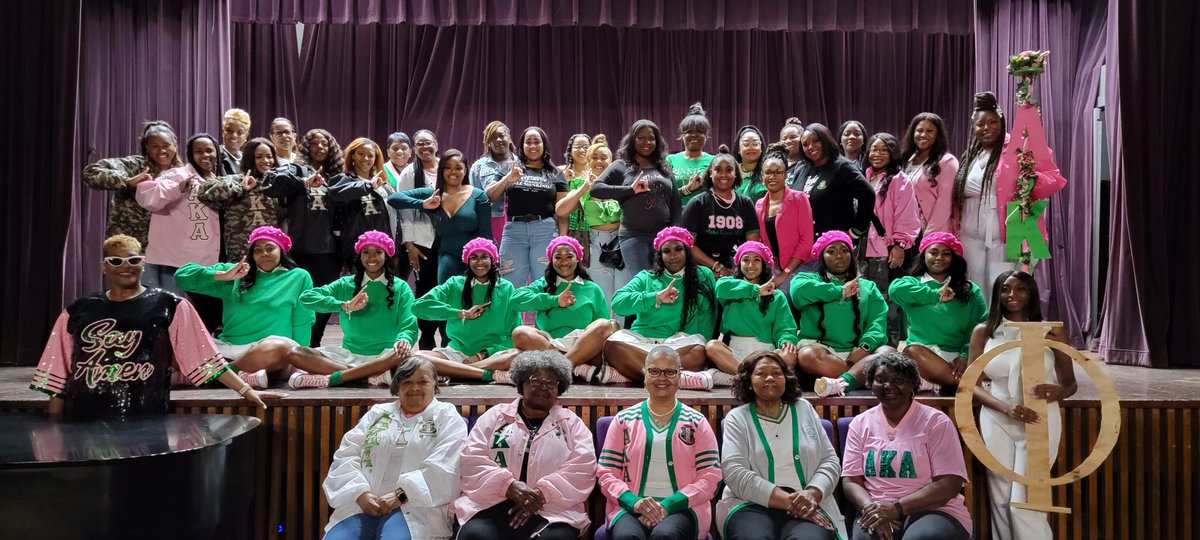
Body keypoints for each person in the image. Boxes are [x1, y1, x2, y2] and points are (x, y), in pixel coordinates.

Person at [30, 235, 277, 420]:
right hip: (82, 417)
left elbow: (205, 358)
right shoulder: (77, 310)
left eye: (133, 260)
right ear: (104, 266)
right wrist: (55, 426)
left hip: (145, 416)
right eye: (116, 260)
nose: (125, 266)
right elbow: (58, 374)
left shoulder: (170, 304)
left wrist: (246, 392)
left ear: (143, 264)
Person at [968, 271, 1077, 540]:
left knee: (1026, 499)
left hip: (1039, 418)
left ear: (1031, 294)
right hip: (997, 416)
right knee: (1001, 494)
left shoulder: (1052, 330)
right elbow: (970, 385)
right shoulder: (984, 332)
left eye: (1020, 289)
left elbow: (1070, 383)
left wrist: (1057, 391)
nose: (1012, 295)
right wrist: (1006, 408)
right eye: (1005, 289)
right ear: (997, 294)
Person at [454, 351, 596, 540]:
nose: (543, 387)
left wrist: (541, 494)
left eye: (551, 382)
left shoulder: (571, 424)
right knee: (475, 535)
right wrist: (509, 486)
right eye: (535, 380)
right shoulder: (496, 416)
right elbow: (472, 458)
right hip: (491, 501)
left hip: (552, 508)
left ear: (559, 389)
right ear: (522, 382)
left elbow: (583, 468)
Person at [322, 356, 467, 540]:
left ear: (435, 386)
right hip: (362, 504)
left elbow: (446, 467)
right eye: (407, 381)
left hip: (416, 508)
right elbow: (347, 455)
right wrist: (360, 493)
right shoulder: (377, 413)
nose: (415, 388)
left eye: (423, 381)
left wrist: (401, 495)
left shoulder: (446, 416)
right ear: (397, 387)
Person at [175, 226, 330, 388]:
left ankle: (216, 376)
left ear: (282, 251)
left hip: (269, 352)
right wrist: (222, 275)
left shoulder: (298, 276)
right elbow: (182, 277)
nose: (264, 253)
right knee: (177, 342)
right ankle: (242, 375)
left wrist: (299, 362)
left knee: (279, 347)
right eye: (258, 250)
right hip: (229, 350)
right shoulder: (236, 273)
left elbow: (302, 320)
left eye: (270, 248)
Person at [841, 353, 972, 540]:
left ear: (912, 385)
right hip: (878, 508)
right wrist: (873, 509)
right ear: (871, 384)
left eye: (898, 380)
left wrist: (896, 509)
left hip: (934, 509)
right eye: (880, 379)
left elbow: (949, 484)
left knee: (921, 537)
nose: (888, 385)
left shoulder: (936, 422)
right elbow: (851, 480)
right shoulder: (860, 424)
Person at [717, 351, 846, 540]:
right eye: (761, 373)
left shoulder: (804, 409)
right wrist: (790, 503)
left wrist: (813, 493)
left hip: (808, 502)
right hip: (749, 505)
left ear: (786, 379)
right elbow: (734, 472)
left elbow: (830, 461)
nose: (770, 378)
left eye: (777, 373)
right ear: (749, 381)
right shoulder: (737, 418)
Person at [597, 346, 722, 540]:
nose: (661, 377)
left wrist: (668, 505)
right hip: (629, 506)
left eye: (670, 371)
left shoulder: (697, 422)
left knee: (666, 535)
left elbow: (711, 477)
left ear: (679, 376)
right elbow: (606, 474)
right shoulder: (623, 420)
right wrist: (635, 503)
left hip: (683, 507)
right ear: (644, 375)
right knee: (626, 537)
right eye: (654, 371)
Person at [290, 231, 419, 389]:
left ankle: (345, 376)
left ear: (387, 256)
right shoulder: (345, 284)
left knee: (403, 355)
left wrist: (404, 339)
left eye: (378, 252)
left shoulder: (401, 287)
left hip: (385, 356)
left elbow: (409, 322)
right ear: (360, 255)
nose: (372, 257)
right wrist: (343, 305)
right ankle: (366, 376)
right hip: (349, 356)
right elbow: (306, 298)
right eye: (366, 252)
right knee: (295, 353)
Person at [605, 227, 717, 388]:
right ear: (660, 255)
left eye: (678, 249)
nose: (673, 255)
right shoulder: (646, 277)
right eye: (667, 251)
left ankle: (632, 374)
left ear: (687, 251)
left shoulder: (703, 275)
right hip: (642, 342)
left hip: (680, 344)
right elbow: (618, 303)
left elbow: (708, 317)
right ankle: (678, 378)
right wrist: (655, 297)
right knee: (612, 346)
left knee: (699, 352)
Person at [790, 231, 892, 396]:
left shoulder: (868, 287)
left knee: (888, 353)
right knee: (808, 355)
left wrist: (865, 347)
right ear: (822, 256)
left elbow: (877, 323)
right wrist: (839, 292)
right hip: (821, 350)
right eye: (831, 251)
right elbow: (797, 293)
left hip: (859, 352)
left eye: (845, 251)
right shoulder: (806, 279)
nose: (839, 255)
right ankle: (855, 377)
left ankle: (840, 383)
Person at [510, 236, 621, 383]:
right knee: (520, 333)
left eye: (569, 256)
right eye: (558, 257)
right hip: (550, 345)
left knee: (604, 325)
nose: (564, 262)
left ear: (578, 258)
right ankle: (572, 367)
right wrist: (554, 300)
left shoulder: (592, 288)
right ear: (551, 260)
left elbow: (602, 330)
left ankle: (557, 370)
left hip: (583, 347)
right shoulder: (543, 284)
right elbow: (515, 301)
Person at [260, 142, 339, 348]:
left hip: (331, 250)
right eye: (315, 143)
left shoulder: (336, 176)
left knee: (325, 299)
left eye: (325, 143)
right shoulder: (295, 170)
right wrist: (303, 182)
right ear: (305, 147)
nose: (320, 147)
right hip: (302, 248)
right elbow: (271, 185)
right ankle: (296, 346)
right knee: (300, 300)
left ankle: (314, 345)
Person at [136, 133, 236, 292]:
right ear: (190, 153)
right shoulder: (177, 174)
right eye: (199, 151)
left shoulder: (217, 180)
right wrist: (177, 189)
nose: (205, 155)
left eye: (209, 150)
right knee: (176, 310)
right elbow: (147, 198)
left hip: (205, 264)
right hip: (175, 263)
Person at [889, 232, 987, 394]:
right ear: (923, 256)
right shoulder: (912, 283)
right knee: (911, 351)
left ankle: (955, 383)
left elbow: (979, 325)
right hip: (923, 357)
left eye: (946, 253)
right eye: (933, 252)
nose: (939, 257)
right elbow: (895, 291)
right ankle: (970, 387)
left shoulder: (970, 289)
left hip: (958, 360)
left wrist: (964, 355)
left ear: (953, 258)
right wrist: (934, 295)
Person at [410, 238, 518, 383]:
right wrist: (460, 313)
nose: (479, 262)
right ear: (467, 261)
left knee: (515, 355)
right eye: (474, 257)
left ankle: (457, 371)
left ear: (493, 260)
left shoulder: (506, 288)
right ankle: (488, 375)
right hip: (457, 352)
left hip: (491, 356)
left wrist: (482, 354)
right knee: (419, 357)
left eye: (485, 257)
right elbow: (418, 307)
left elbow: (515, 335)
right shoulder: (455, 284)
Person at [389, 149, 493, 284]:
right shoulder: (433, 195)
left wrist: (486, 261)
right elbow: (393, 199)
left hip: (475, 260)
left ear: (465, 170)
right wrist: (423, 204)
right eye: (447, 167)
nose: (453, 172)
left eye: (458, 168)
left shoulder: (478, 196)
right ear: (441, 170)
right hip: (447, 258)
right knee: (446, 298)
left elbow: (486, 234)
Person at [590, 119, 680, 275]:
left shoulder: (664, 167)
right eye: (641, 138)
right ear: (632, 140)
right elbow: (596, 189)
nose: (647, 142)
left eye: (651, 138)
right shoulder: (621, 165)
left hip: (663, 238)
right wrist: (630, 190)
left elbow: (675, 204)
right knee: (643, 283)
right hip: (634, 237)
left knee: (663, 283)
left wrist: (672, 234)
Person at [706, 242, 798, 387]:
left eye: (756, 260)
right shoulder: (729, 285)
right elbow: (721, 289)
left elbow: (785, 327)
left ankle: (738, 380)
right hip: (735, 350)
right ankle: (753, 380)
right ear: (739, 264)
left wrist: (786, 340)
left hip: (767, 351)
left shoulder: (777, 295)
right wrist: (756, 290)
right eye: (746, 260)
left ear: (763, 264)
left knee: (790, 355)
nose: (750, 265)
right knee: (712, 346)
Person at [486, 127, 568, 287]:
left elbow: (563, 211)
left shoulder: (556, 173)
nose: (532, 146)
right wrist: (507, 179)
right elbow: (489, 196)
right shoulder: (509, 168)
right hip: (513, 231)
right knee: (509, 284)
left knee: (545, 283)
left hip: (545, 231)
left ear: (544, 145)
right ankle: (511, 313)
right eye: (527, 142)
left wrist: (561, 240)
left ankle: (544, 312)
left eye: (537, 142)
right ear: (521, 146)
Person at [859, 133, 920, 346]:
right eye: (874, 149)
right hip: (861, 248)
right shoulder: (863, 176)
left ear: (893, 153)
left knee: (886, 300)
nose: (878, 154)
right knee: (863, 299)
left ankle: (888, 347)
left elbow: (908, 216)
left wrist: (899, 245)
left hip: (885, 249)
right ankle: (866, 345)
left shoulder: (899, 180)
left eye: (884, 150)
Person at [83, 120, 183, 248]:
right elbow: (91, 172)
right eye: (155, 146)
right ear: (147, 147)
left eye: (166, 145)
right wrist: (127, 181)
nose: (161, 150)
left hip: (166, 249)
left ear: (175, 146)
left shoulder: (182, 173)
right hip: (128, 249)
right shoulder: (135, 165)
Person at [555, 135, 628, 306]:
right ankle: (603, 329)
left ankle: (622, 331)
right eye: (594, 158)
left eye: (604, 158)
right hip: (596, 241)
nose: (599, 162)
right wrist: (585, 187)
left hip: (622, 240)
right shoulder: (581, 183)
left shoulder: (623, 182)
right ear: (588, 161)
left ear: (612, 162)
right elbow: (561, 210)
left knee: (623, 290)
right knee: (602, 291)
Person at [787, 123, 875, 252]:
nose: (810, 147)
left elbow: (868, 195)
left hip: (835, 246)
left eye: (815, 141)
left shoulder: (842, 167)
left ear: (825, 140)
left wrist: (856, 231)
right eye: (805, 144)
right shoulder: (801, 168)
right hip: (804, 246)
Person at [392, 130, 443, 349]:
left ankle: (448, 336)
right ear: (414, 148)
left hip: (448, 237)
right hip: (422, 241)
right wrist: (410, 244)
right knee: (426, 288)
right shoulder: (409, 173)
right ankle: (427, 338)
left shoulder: (446, 166)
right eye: (419, 143)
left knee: (447, 285)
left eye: (428, 142)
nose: (425, 147)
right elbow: (403, 210)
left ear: (436, 144)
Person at [199, 137, 283, 262]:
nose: (266, 161)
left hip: (271, 252)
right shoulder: (236, 180)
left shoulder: (278, 184)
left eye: (269, 156)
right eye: (258, 157)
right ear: (250, 158)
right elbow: (204, 193)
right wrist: (241, 187)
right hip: (241, 252)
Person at [681, 150, 760, 274]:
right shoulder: (697, 203)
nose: (724, 174)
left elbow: (751, 245)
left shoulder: (746, 203)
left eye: (729, 170)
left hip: (734, 266)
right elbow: (687, 244)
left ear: (736, 174)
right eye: (718, 170)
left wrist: (738, 269)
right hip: (700, 267)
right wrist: (717, 268)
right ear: (711, 173)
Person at [756, 143, 814, 292]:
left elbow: (806, 242)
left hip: (801, 266)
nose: (772, 177)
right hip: (774, 268)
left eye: (778, 172)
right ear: (762, 175)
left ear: (786, 174)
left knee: (786, 296)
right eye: (768, 172)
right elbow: (760, 242)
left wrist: (784, 273)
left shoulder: (799, 199)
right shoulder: (759, 204)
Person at [329, 137, 394, 269]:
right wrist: (368, 185)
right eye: (361, 154)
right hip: (356, 247)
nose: (365, 158)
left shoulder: (384, 185)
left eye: (370, 155)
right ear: (352, 155)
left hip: (382, 246)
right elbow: (335, 194)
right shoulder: (342, 180)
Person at [899, 113, 959, 236]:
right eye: (919, 130)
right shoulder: (907, 159)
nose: (923, 135)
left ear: (938, 135)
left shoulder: (947, 161)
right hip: (905, 231)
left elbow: (945, 201)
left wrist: (930, 234)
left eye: (929, 131)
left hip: (931, 231)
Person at [469, 121, 517, 242]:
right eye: (493, 137)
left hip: (518, 222)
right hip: (490, 222)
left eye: (502, 135)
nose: (498, 140)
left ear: (510, 138)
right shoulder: (478, 167)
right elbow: (473, 201)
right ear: (488, 143)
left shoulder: (523, 163)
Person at [667, 102, 715, 206]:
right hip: (676, 215)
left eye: (699, 131)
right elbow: (664, 195)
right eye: (689, 131)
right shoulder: (670, 159)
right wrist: (687, 189)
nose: (694, 135)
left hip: (704, 214)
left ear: (706, 136)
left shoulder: (714, 160)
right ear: (682, 135)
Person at [733, 125, 767, 202]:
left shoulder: (769, 172)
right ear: (738, 149)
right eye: (746, 144)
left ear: (761, 148)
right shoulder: (731, 173)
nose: (751, 148)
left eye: (755, 144)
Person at [218, 108, 251, 175]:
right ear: (223, 132)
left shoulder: (248, 159)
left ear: (246, 136)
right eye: (229, 131)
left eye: (240, 132)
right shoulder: (216, 157)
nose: (234, 136)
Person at [778, 118, 806, 187]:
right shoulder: (776, 164)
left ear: (803, 138)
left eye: (793, 137)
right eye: (784, 139)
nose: (788, 141)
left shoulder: (809, 164)